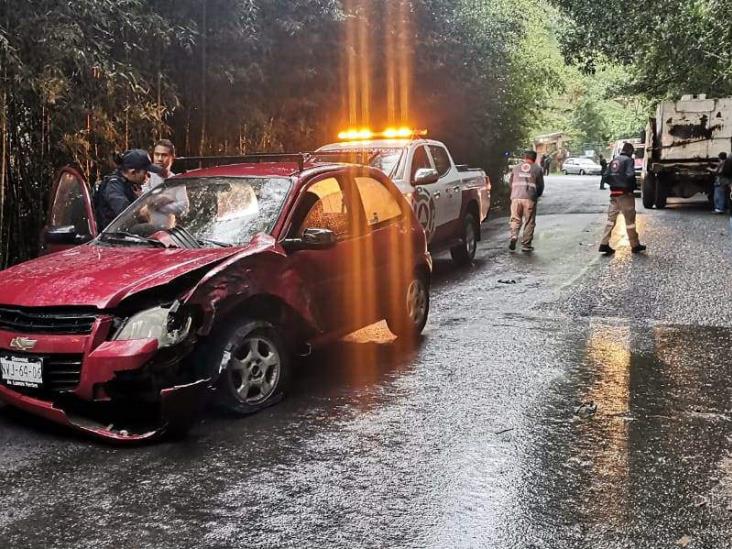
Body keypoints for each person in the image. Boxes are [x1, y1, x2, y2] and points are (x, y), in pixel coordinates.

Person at [94, 149, 163, 230]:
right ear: (133, 172)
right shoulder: (113, 186)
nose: (148, 175)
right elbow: (126, 214)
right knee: (151, 229)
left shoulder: (130, 183)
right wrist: (143, 202)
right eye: (145, 172)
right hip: (113, 235)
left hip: (126, 229)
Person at [598, 142, 646, 255]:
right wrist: (631, 187)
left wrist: (613, 184)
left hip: (614, 194)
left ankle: (604, 244)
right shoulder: (628, 160)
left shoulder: (614, 160)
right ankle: (635, 245)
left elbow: (605, 176)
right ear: (629, 151)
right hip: (625, 194)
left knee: (610, 220)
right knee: (630, 221)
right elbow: (630, 175)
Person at [508, 150, 545, 252]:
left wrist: (515, 192)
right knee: (529, 221)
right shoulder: (537, 169)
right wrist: (537, 195)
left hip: (515, 197)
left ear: (524, 157)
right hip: (529, 198)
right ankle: (526, 245)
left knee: (515, 219)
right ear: (534, 158)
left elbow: (510, 183)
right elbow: (541, 186)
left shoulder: (516, 168)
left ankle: (514, 236)